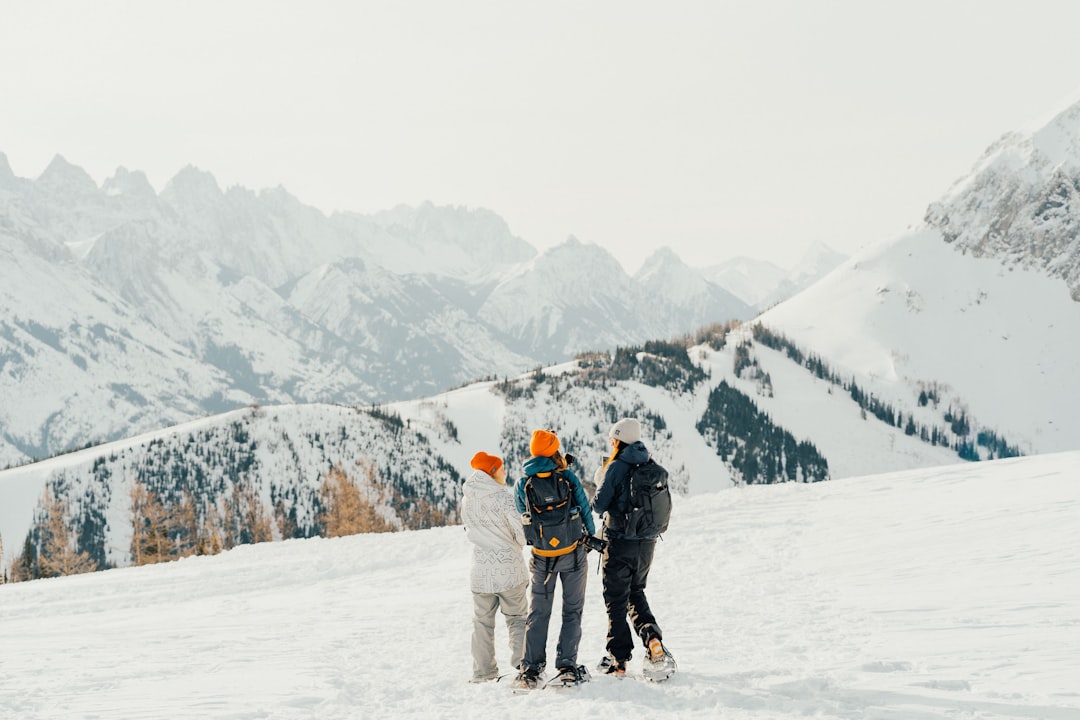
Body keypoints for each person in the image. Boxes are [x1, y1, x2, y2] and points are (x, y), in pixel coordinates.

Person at [511, 429, 596, 690]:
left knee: (538, 613)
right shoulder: (567, 477)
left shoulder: (523, 482)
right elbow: (583, 508)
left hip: (542, 557)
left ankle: (531, 669)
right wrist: (590, 536)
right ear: (555, 451)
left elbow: (521, 510)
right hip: (572, 553)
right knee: (572, 610)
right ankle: (567, 666)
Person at [591, 417, 676, 678]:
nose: (611, 442)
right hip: (646, 545)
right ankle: (653, 639)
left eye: (613, 438)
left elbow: (599, 505)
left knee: (616, 601)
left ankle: (618, 659)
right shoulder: (649, 463)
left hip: (619, 544)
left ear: (619, 439)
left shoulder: (616, 466)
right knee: (635, 593)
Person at [460, 451, 529, 683]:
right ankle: (524, 667)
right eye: (501, 468)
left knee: (481, 623)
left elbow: (469, 530)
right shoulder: (504, 497)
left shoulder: (467, 498)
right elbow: (521, 535)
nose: (505, 472)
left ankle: (483, 672)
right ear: (492, 472)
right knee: (517, 618)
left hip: (480, 572)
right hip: (509, 570)